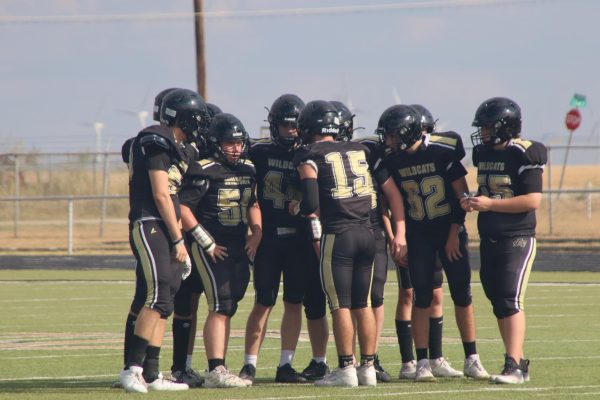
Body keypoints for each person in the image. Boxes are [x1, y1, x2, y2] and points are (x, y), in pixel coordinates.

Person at [291, 100, 402, 387]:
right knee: (363, 303)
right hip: (368, 232)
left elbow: (313, 202)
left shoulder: (308, 154)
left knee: (340, 305)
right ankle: (367, 366)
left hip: (339, 234)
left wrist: (301, 206)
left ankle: (345, 368)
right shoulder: (360, 148)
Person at [375, 104, 488, 382]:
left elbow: (461, 196)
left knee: (462, 295)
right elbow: (390, 203)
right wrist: (397, 236)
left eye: (391, 135)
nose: (387, 141)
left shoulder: (443, 150)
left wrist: (453, 233)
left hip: (448, 231)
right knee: (421, 297)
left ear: (406, 132)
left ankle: (472, 358)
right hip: (418, 235)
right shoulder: (393, 160)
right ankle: (422, 361)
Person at [118, 88, 209, 393]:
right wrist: (178, 238)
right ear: (181, 117)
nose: (200, 124)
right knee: (156, 296)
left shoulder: (182, 148)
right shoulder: (155, 138)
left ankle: (153, 373)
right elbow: (160, 193)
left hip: (164, 224)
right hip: (149, 222)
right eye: (197, 118)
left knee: (166, 300)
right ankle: (133, 369)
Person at [239, 94, 330, 385]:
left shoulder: (309, 152)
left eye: (295, 126)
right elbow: (248, 192)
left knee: (294, 301)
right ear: (273, 125)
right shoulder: (259, 151)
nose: (290, 131)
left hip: (301, 240)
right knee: (263, 301)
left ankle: (285, 365)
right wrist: (255, 230)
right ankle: (249, 364)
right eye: (285, 126)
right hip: (269, 239)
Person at [464, 97, 546, 384]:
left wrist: (489, 205)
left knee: (510, 297)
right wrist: (475, 201)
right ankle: (517, 363)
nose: (483, 133)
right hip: (490, 236)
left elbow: (532, 200)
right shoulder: (483, 153)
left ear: (505, 126)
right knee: (498, 299)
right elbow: (490, 192)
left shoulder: (525, 153)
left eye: (488, 127)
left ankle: (513, 364)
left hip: (517, 236)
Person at [178, 112, 261, 388]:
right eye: (229, 143)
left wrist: (257, 232)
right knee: (220, 305)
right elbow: (183, 208)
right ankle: (216, 369)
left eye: (238, 143)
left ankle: (219, 367)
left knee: (230, 305)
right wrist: (206, 242)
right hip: (213, 244)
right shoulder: (205, 168)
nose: (236, 148)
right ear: (216, 143)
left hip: (238, 243)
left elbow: (253, 203)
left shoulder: (248, 169)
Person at [169, 99, 219, 388]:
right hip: (190, 237)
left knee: (210, 303)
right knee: (184, 302)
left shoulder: (218, 158)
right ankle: (180, 366)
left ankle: (193, 365)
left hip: (213, 238)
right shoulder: (188, 155)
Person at [352, 128, 408, 382]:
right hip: (343, 231)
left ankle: (371, 358)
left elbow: (390, 197)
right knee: (347, 300)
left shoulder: (372, 156)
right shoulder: (330, 157)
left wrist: (397, 234)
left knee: (375, 297)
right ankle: (349, 360)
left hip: (373, 232)